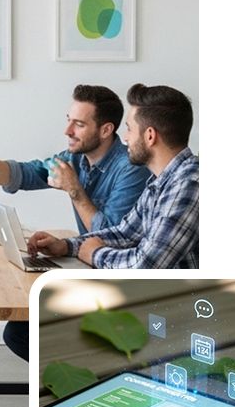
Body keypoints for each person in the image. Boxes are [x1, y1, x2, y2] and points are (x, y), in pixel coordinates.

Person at [0, 84, 149, 235]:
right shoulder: (74, 159)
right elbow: (23, 175)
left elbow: (110, 236)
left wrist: (74, 190)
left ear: (105, 130)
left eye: (79, 125)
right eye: (68, 120)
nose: (67, 131)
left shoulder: (130, 168)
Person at [27, 84, 199, 269]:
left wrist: (94, 254)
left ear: (150, 136)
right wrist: (66, 246)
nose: (125, 138)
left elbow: (145, 266)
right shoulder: (161, 181)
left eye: (129, 129)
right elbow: (124, 233)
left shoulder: (189, 183)